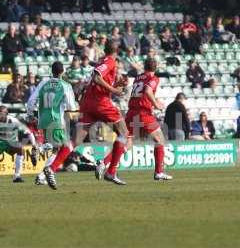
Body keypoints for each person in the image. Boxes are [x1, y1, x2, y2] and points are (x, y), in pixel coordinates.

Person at [79, 42, 129, 185]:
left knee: (76, 139)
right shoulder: (110, 61)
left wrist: (117, 85)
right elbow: (96, 77)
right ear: (116, 51)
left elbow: (100, 82)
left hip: (91, 102)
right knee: (125, 134)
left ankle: (50, 167)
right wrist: (114, 91)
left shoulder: (103, 61)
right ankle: (110, 170)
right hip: (100, 103)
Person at [27, 61, 77, 190]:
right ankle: (40, 149)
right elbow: (71, 106)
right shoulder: (65, 85)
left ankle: (41, 177)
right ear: (63, 72)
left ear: (52, 71)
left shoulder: (43, 83)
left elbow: (31, 100)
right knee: (65, 146)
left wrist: (30, 113)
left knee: (55, 149)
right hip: (56, 118)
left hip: (43, 118)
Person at [124, 58, 172, 180]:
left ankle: (105, 163)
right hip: (143, 114)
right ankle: (159, 172)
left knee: (127, 143)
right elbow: (147, 90)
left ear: (144, 67)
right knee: (160, 140)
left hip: (131, 113)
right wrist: (156, 104)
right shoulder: (154, 78)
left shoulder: (138, 78)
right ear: (155, 68)